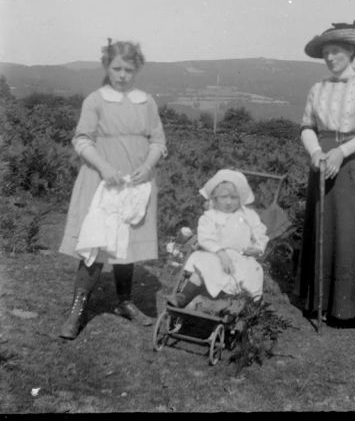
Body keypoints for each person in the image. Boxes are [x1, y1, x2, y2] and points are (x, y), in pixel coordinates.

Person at [58, 40, 167, 339]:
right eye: (116, 68)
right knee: (96, 245)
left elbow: (158, 141)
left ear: (138, 69)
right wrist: (105, 168)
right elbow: (82, 140)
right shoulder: (95, 100)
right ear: (107, 67)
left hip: (136, 183)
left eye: (128, 70)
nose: (122, 75)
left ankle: (124, 302)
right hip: (101, 182)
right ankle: (76, 312)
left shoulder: (146, 102)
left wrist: (147, 166)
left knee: (127, 243)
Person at [295, 20, 355, 339]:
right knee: (327, 228)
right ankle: (320, 303)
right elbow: (307, 126)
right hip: (321, 161)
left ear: (351, 52)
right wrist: (315, 152)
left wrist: (341, 152)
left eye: (335, 51)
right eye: (325, 52)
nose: (330, 57)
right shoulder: (316, 89)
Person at [168, 169, 269, 308]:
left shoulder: (248, 216)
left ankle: (231, 306)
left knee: (250, 271)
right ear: (215, 198)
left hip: (242, 258)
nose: (228, 202)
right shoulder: (210, 216)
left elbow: (260, 235)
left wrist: (257, 249)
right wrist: (221, 253)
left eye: (233, 198)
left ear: (240, 198)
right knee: (204, 264)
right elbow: (205, 238)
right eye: (224, 197)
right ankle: (184, 296)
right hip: (215, 254)